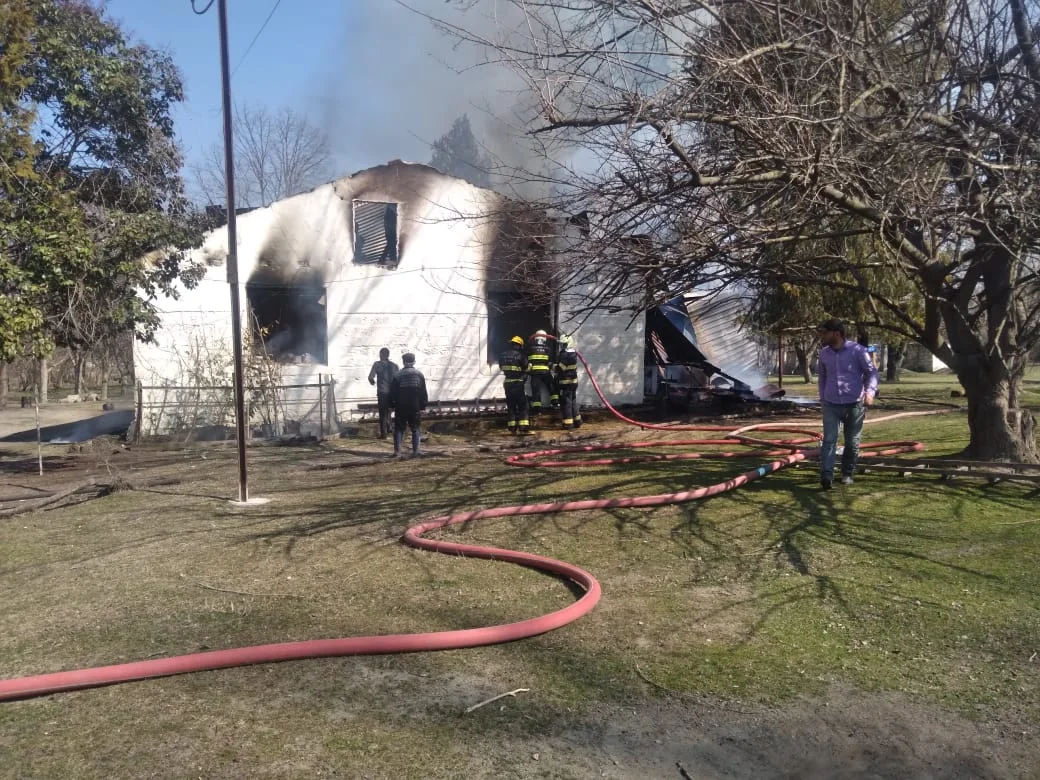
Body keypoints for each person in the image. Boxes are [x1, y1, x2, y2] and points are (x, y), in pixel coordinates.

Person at [817, 318, 879, 489]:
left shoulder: (858, 351)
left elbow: (871, 373)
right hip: (831, 403)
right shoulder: (824, 354)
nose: (822, 336)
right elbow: (822, 378)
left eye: (825, 332)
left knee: (852, 441)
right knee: (829, 439)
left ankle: (847, 473)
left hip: (854, 403)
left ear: (836, 333)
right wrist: (822, 398)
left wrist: (870, 393)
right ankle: (827, 476)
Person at [388, 352, 428, 457]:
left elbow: (393, 392)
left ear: (403, 362)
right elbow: (423, 391)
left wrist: (392, 405)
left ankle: (397, 452)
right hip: (415, 406)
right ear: (414, 361)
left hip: (401, 406)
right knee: (415, 428)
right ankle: (416, 451)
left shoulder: (397, 375)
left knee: (399, 429)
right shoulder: (419, 375)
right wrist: (423, 406)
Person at [498, 335, 531, 434]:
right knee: (522, 405)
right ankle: (523, 427)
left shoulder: (502, 355)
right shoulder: (520, 356)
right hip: (517, 383)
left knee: (511, 405)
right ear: (520, 346)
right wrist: (530, 366)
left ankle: (512, 428)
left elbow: (501, 367)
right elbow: (526, 369)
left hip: (507, 383)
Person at [367, 347, 399, 438]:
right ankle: (390, 428)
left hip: (382, 392)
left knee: (383, 413)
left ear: (381, 354)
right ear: (388, 355)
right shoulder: (395, 366)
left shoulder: (377, 364)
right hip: (393, 393)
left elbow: (370, 377)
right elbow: (398, 379)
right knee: (389, 411)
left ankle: (383, 434)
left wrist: (372, 382)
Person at [555, 334, 583, 429]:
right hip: (573, 382)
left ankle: (568, 424)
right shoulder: (574, 353)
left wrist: (552, 366)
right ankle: (577, 421)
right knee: (573, 401)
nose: (562, 346)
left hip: (565, 383)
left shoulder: (564, 355)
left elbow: (560, 368)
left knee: (566, 403)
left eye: (564, 344)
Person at [526, 328, 557, 412]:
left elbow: (527, 361)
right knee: (552, 386)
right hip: (546, 372)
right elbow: (550, 361)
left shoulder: (530, 348)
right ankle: (555, 403)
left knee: (536, 390)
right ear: (545, 339)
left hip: (535, 373)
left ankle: (537, 408)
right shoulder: (548, 349)